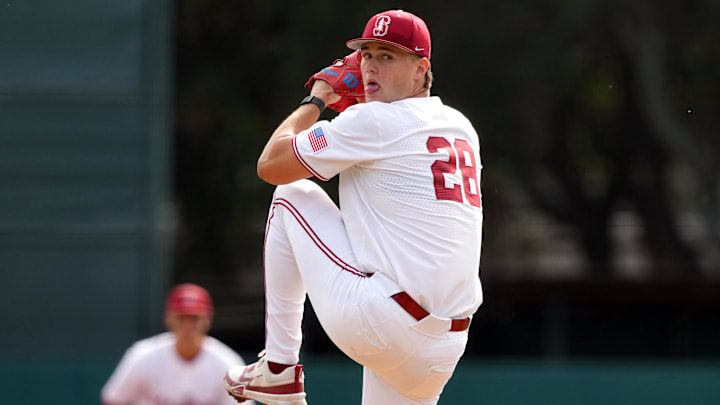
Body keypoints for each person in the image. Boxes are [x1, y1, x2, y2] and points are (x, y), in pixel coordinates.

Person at [225, 9, 483, 405]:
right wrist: (356, 109)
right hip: (444, 348)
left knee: (291, 196)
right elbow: (392, 149)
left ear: (421, 68)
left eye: (387, 56)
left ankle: (278, 369)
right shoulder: (459, 125)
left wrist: (318, 99)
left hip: (386, 322)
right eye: (366, 54)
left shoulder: (373, 121)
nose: (370, 66)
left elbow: (271, 165)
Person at [102, 283, 255, 405]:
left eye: (194, 318)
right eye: (181, 318)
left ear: (207, 320)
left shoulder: (227, 364)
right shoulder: (143, 355)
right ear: (168, 318)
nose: (187, 325)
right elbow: (114, 399)